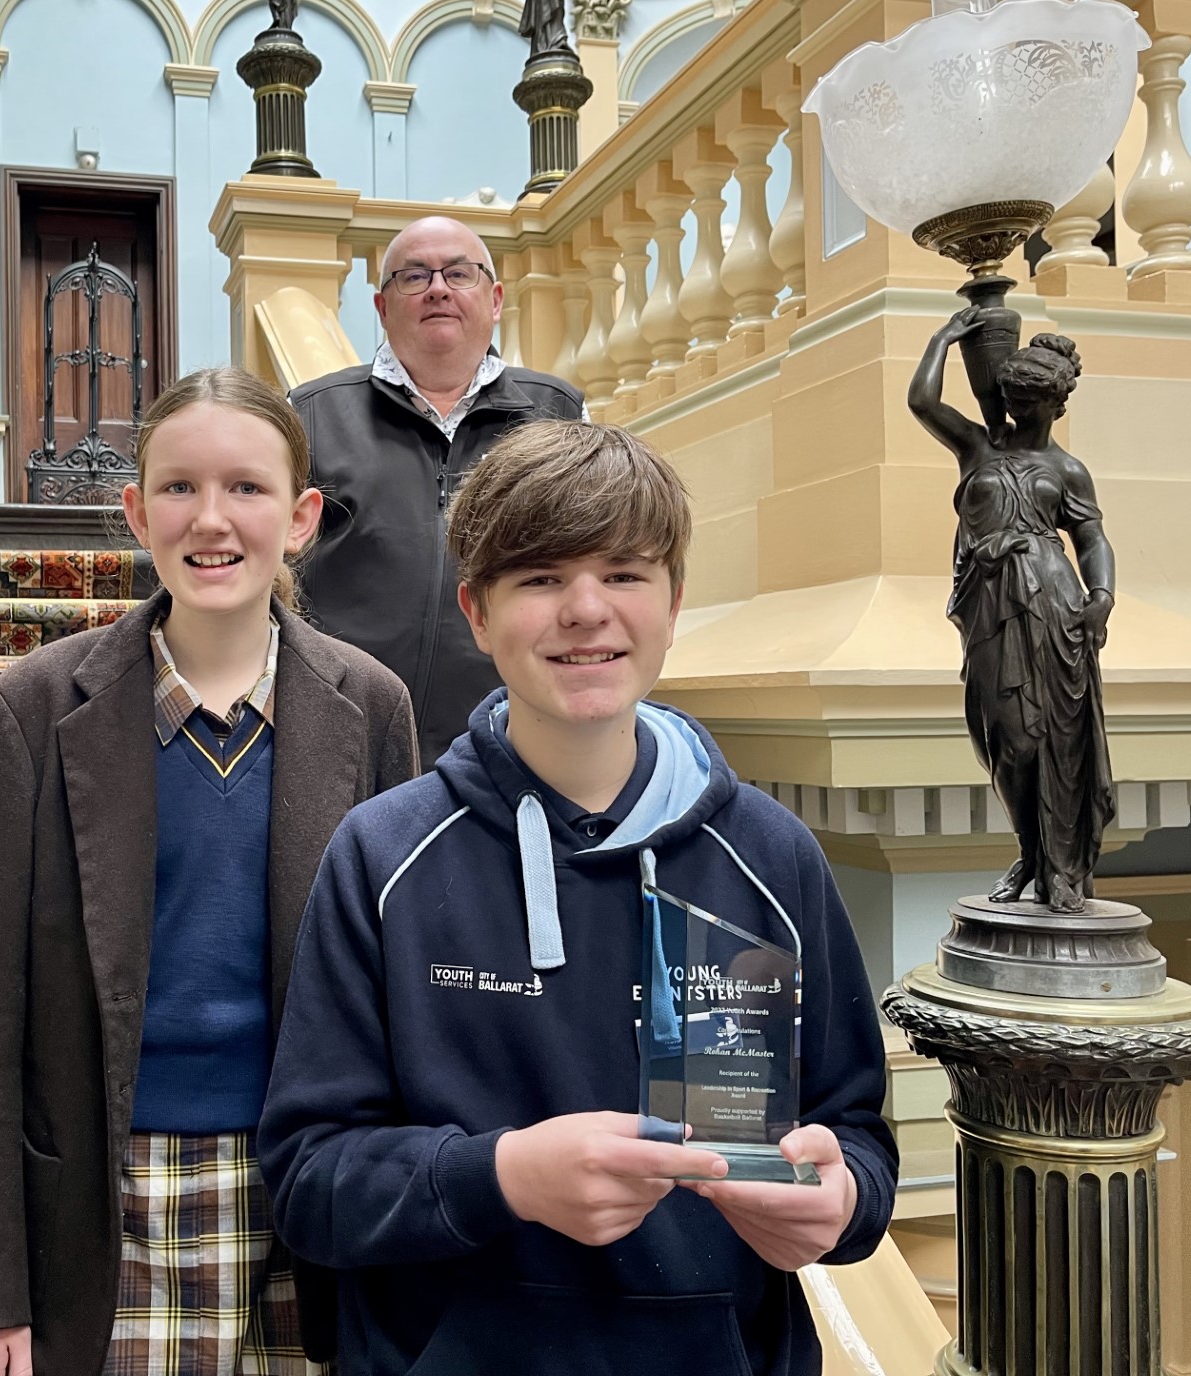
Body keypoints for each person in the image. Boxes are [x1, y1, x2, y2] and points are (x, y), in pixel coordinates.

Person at [259, 421, 896, 1376]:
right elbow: (311, 1183)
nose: (586, 611)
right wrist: (502, 1176)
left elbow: (858, 1140)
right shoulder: (383, 857)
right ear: (477, 613)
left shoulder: (772, 856)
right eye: (541, 578)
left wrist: (839, 1203)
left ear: (675, 601)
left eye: (625, 574)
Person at [0, 367, 419, 1376]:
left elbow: (404, 998)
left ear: (303, 515)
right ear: (137, 513)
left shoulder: (373, 705)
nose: (212, 519)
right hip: (114, 1198)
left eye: (247, 487)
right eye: (180, 488)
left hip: (309, 1192)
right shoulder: (40, 708)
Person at [289, 215, 584, 763]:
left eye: (459, 273)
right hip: (340, 731)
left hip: (509, 735)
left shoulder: (559, 414)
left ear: (494, 299)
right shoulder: (311, 414)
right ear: (382, 307)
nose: (439, 288)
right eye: (414, 276)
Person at [910, 310, 1115, 911]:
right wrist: (944, 340)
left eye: (1031, 402)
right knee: (1007, 737)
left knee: (1057, 738)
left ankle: (1053, 864)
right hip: (989, 605)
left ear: (1055, 406)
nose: (1019, 410)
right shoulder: (977, 444)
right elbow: (922, 402)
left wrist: (1100, 597)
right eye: (1012, 398)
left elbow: (1092, 540)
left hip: (1054, 605)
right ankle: (1030, 848)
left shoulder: (1066, 470)